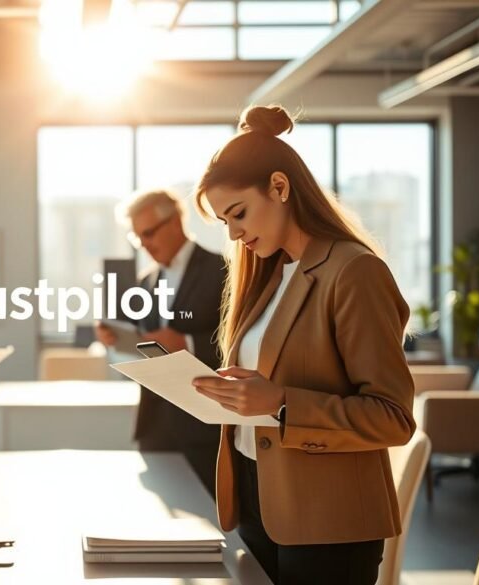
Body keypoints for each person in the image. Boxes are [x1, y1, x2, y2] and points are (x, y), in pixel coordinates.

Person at [192, 105, 415, 585]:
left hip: (327, 521)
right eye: (224, 221)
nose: (233, 233)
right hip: (258, 500)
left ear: (279, 187)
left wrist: (280, 403)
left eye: (238, 213)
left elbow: (392, 417)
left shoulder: (353, 271)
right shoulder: (271, 275)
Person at [95, 189, 226, 496]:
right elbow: (144, 341)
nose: (144, 244)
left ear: (176, 221)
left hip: (205, 427)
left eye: (149, 233)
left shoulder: (223, 271)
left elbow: (241, 343)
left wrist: (189, 343)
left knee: (211, 513)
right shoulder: (146, 281)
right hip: (154, 425)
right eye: (137, 237)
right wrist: (117, 339)